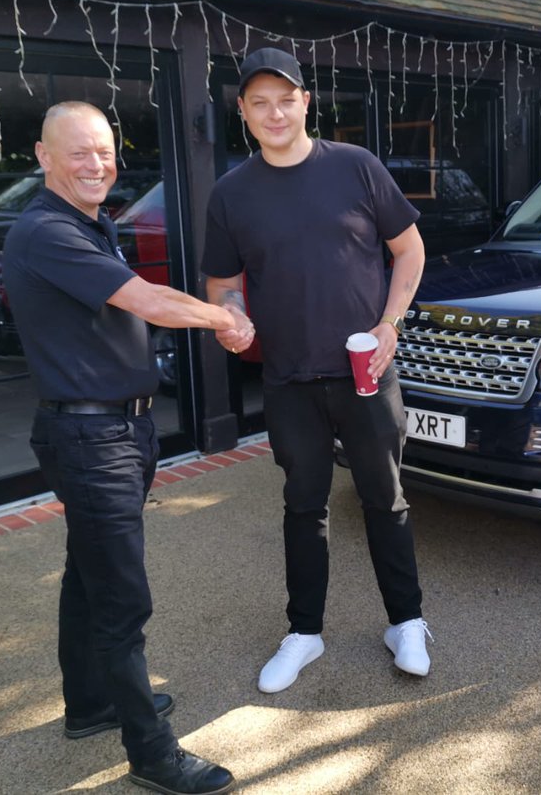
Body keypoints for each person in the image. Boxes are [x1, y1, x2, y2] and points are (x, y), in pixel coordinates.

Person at [2, 102, 250, 795]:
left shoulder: (91, 224)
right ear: (43, 157)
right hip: (90, 437)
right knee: (121, 598)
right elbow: (152, 303)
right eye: (77, 152)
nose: (95, 164)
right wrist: (226, 319)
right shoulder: (48, 231)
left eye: (104, 151)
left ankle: (90, 706)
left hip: (115, 430)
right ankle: (152, 754)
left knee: (89, 575)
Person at [201, 48, 431, 694]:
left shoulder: (356, 168)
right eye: (259, 102)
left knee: (385, 498)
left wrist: (390, 325)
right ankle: (304, 633)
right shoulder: (231, 193)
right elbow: (222, 282)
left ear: (306, 101)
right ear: (243, 113)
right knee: (303, 505)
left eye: (285, 98)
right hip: (289, 378)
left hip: (365, 371)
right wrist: (232, 315)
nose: (274, 112)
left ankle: (406, 622)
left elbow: (409, 250)